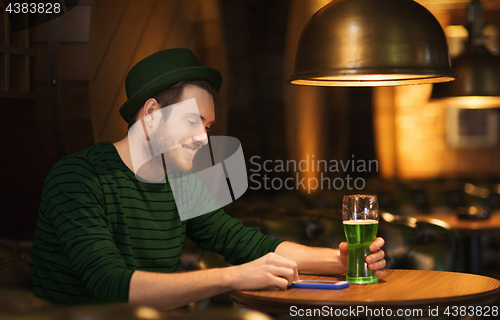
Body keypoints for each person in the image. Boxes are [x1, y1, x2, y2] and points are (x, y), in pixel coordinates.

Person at [31, 48, 386, 311]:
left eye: (208, 126)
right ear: (152, 114)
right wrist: (235, 276)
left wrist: (339, 261)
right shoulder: (77, 177)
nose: (203, 137)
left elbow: (244, 242)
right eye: (193, 121)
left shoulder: (179, 184)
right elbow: (110, 286)